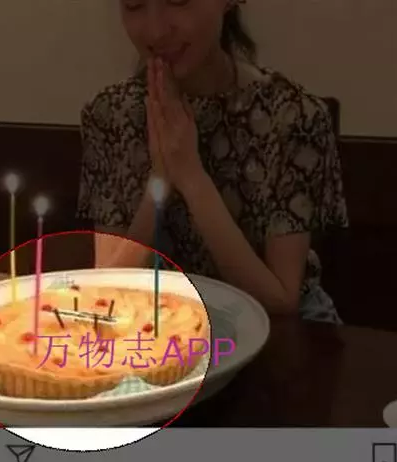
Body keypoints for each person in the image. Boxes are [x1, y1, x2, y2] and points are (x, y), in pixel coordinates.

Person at [76, 0, 349, 323]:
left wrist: (191, 177)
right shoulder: (110, 115)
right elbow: (108, 288)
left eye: (178, 1)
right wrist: (160, 178)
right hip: (165, 325)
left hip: (284, 331)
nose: (155, 31)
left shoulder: (292, 116)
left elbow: (280, 300)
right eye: (134, 5)